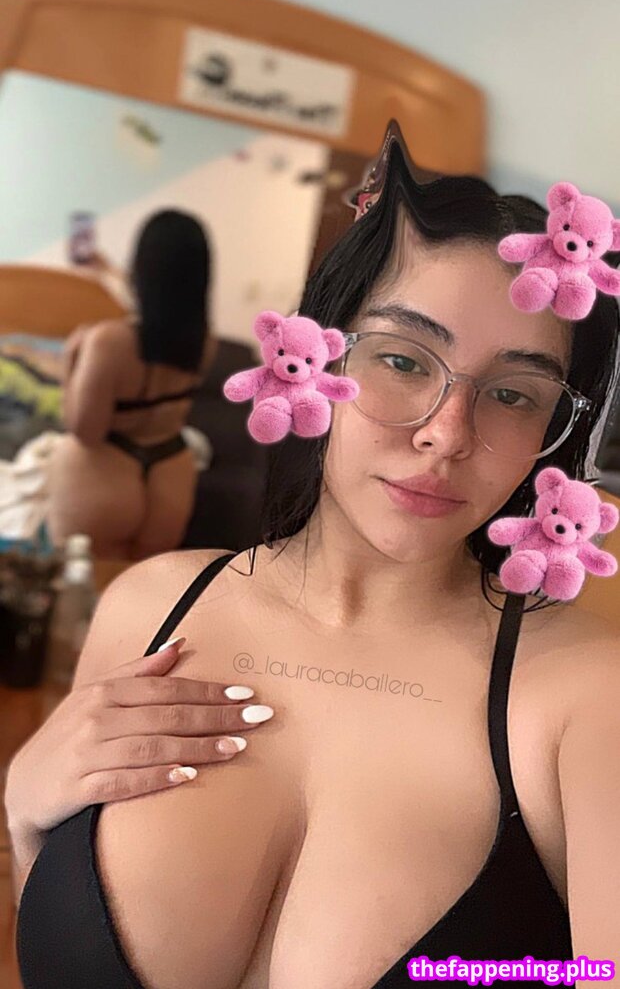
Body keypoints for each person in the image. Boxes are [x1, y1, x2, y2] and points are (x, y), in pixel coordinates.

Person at [7, 124, 620, 988]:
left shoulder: (584, 698)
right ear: (311, 362)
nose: (446, 433)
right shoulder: (148, 608)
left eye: (514, 395)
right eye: (403, 359)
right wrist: (26, 816)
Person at [47, 209, 218, 560]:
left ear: (141, 266)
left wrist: (70, 361)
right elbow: (161, 310)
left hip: (107, 478)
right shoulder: (205, 341)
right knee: (141, 588)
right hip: (172, 478)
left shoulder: (107, 341)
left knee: (88, 586)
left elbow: (85, 432)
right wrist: (107, 271)